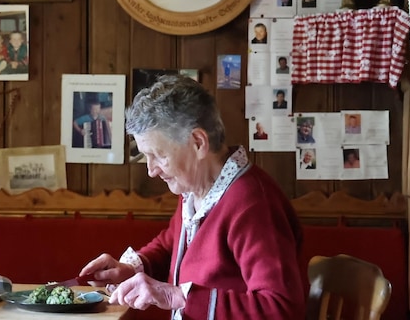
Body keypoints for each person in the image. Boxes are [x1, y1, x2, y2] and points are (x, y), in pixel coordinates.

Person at [78, 75, 304, 318]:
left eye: (158, 155)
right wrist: (131, 268)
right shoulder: (195, 190)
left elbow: (281, 308)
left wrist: (175, 296)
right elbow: (171, 243)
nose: (151, 170)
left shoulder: (253, 205)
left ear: (198, 143)